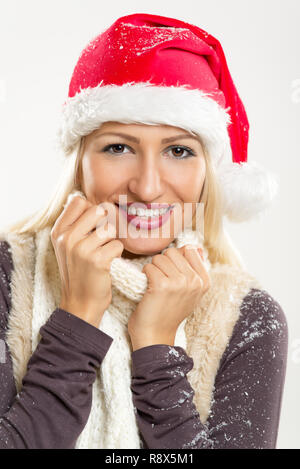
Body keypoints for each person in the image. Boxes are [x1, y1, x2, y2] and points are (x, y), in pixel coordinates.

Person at [0, 13, 288, 449]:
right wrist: (78, 317)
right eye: (118, 147)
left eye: (178, 150)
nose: (148, 187)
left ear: (208, 171)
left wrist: (156, 349)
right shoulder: (8, 279)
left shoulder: (245, 317)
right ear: (79, 161)